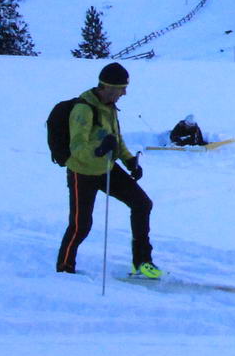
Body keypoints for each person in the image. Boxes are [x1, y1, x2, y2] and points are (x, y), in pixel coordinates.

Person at [57, 62, 162, 278]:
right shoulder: (83, 109)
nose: (124, 93)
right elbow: (76, 148)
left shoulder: (109, 106)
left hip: (106, 168)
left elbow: (116, 138)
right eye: (121, 88)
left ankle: (142, 262)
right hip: (82, 173)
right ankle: (64, 269)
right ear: (107, 87)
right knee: (81, 225)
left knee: (142, 204)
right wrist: (99, 149)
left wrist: (129, 160)